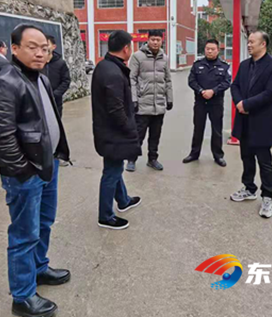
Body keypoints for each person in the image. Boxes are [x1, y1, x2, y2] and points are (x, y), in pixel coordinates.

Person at [0, 24, 71, 317]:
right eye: (32, 47)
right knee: (24, 234)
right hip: (26, 173)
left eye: (44, 48)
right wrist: (23, 171)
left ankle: (39, 268)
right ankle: (22, 296)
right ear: (15, 48)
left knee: (44, 223)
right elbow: (2, 137)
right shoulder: (5, 82)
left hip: (48, 164)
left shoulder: (42, 78)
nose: (39, 53)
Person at [91, 30, 142, 230]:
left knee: (115, 167)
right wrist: (130, 130)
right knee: (111, 172)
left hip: (107, 131)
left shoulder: (106, 66)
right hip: (113, 133)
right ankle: (105, 216)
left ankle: (123, 200)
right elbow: (116, 109)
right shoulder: (112, 72)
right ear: (126, 48)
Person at [229, 31, 272, 219]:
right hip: (244, 121)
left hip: (261, 122)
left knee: (265, 162)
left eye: (252, 42)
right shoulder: (245, 65)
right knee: (246, 157)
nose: (249, 45)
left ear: (263, 44)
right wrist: (239, 103)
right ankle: (249, 188)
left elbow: (270, 93)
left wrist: (247, 105)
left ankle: (267, 197)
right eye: (249, 42)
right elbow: (235, 85)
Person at [126, 30, 173, 172]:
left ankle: (152, 159)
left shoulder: (164, 58)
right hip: (142, 104)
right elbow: (131, 78)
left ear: (162, 41)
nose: (155, 42)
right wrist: (134, 99)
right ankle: (132, 159)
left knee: (155, 135)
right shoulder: (137, 56)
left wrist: (169, 98)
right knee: (138, 134)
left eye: (158, 40)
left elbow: (168, 80)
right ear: (148, 40)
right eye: (153, 39)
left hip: (159, 105)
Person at [183, 39, 231, 167]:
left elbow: (226, 82)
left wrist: (213, 91)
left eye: (212, 49)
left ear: (218, 50)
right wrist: (201, 91)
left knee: (217, 130)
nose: (209, 51)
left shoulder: (224, 66)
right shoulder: (197, 64)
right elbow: (191, 81)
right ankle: (194, 154)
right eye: (207, 49)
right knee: (198, 128)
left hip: (216, 102)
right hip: (200, 102)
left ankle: (218, 156)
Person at [43, 35, 71, 118]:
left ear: (54, 47)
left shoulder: (60, 63)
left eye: (47, 44)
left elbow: (66, 81)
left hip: (55, 101)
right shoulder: (37, 62)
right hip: (39, 100)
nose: (44, 47)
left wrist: (55, 94)